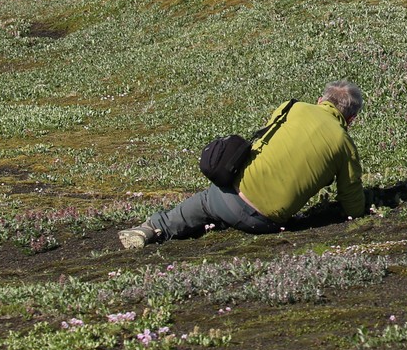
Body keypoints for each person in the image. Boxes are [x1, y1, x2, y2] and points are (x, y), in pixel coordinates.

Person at [119, 80, 366, 248]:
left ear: (320, 99)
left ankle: (152, 228)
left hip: (229, 196)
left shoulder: (293, 108)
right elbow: (352, 202)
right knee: (224, 210)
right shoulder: (345, 145)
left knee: (206, 202)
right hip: (266, 222)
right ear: (351, 118)